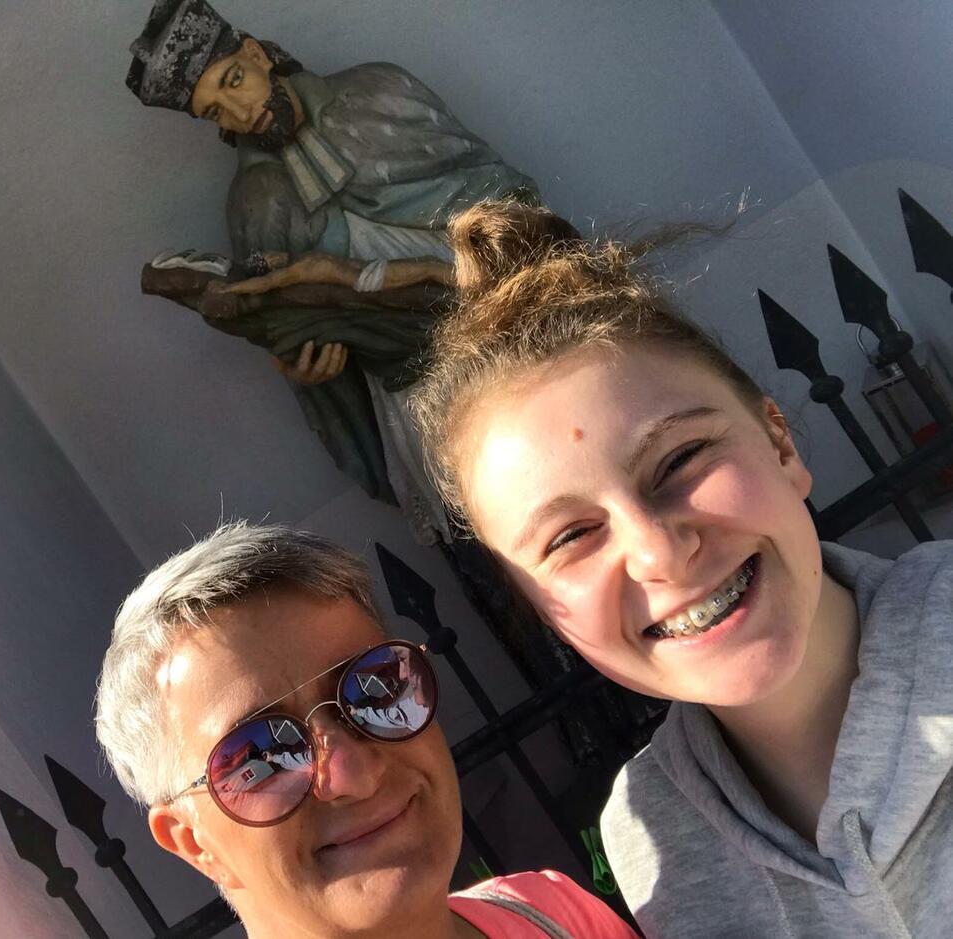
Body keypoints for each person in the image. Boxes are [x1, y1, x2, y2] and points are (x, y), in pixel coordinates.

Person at [407, 199, 953, 937]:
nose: (659, 551)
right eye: (571, 536)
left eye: (680, 460)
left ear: (780, 444)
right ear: (543, 609)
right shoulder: (648, 833)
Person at [95, 521, 637, 938]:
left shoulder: (552, 913)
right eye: (261, 756)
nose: (355, 773)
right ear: (195, 843)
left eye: (376, 687)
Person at [127, 0, 537, 543]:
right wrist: (311, 371)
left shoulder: (378, 92)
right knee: (488, 530)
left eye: (234, 81)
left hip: (519, 325)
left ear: (255, 55)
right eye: (215, 112)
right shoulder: (257, 200)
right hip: (422, 391)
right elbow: (288, 324)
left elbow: (505, 199)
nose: (239, 113)